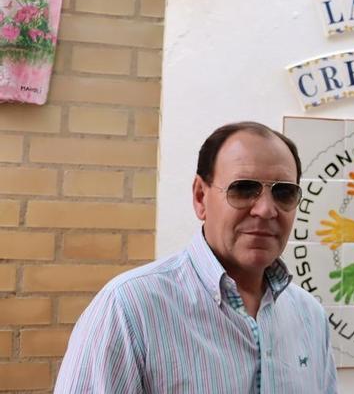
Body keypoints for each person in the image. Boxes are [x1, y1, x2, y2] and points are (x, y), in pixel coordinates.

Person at [56, 121, 337, 393]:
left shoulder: (310, 317)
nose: (265, 209)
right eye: (243, 189)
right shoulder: (129, 309)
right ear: (201, 198)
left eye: (284, 192)